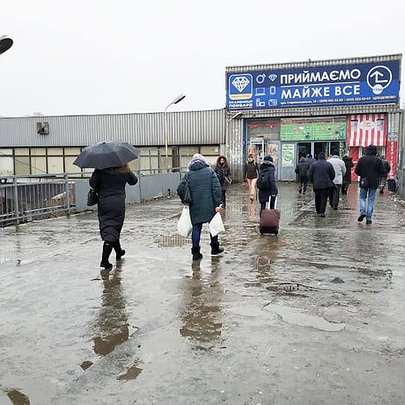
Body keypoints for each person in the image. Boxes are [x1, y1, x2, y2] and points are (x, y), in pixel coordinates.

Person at [90, 164, 138, 269]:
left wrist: (97, 171)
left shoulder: (100, 169)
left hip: (104, 203)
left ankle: (119, 251)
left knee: (110, 228)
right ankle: (104, 260)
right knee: (113, 228)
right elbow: (134, 181)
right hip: (118, 204)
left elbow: (92, 183)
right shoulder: (124, 170)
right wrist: (128, 170)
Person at [177, 153, 224, 261]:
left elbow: (180, 189)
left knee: (196, 227)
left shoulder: (189, 174)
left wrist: (185, 200)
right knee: (213, 226)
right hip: (210, 204)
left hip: (195, 205)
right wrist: (218, 203)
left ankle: (196, 253)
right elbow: (216, 188)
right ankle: (215, 248)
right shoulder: (210, 171)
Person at [355, 145, 384, 225]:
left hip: (364, 181)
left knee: (362, 197)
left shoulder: (362, 159)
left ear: (367, 150)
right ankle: (369, 218)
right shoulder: (378, 160)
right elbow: (382, 171)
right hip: (374, 182)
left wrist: (363, 175)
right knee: (371, 200)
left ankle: (362, 211)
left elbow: (356, 171)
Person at [308, 151, 335, 217]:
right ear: (325, 157)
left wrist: (313, 181)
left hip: (316, 184)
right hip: (326, 185)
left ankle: (318, 210)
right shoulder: (329, 164)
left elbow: (310, 174)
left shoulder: (314, 164)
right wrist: (329, 180)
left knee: (317, 197)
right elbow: (333, 175)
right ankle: (322, 211)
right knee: (324, 198)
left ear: (318, 157)